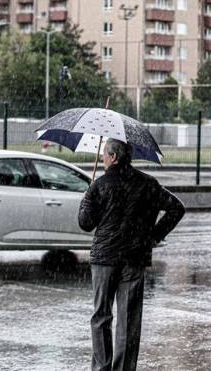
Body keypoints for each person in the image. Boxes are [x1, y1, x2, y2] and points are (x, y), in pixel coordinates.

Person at [78, 138, 185, 371]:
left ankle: (102, 368)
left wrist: (87, 198)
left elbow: (85, 223)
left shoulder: (99, 185)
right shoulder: (148, 184)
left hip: (105, 258)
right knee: (129, 320)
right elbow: (177, 208)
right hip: (135, 258)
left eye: (105, 154)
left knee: (101, 316)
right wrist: (154, 236)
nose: (103, 158)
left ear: (113, 157)